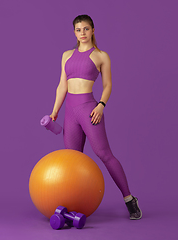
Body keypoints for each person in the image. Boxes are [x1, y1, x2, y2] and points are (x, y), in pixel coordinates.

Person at [50, 14, 142, 220]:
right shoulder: (66, 55)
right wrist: (55, 110)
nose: (82, 33)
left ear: (92, 30)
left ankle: (129, 199)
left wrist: (101, 105)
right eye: (78, 29)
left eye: (86, 29)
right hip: (70, 112)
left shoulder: (101, 56)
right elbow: (62, 85)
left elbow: (108, 85)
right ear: (74, 32)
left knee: (104, 154)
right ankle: (73, 206)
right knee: (72, 159)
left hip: (89, 110)